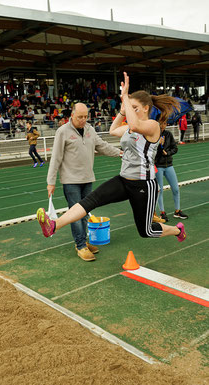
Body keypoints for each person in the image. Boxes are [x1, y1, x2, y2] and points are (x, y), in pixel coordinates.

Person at [36, 73, 186, 258]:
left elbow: (135, 124)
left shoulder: (152, 126)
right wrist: (123, 109)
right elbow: (113, 130)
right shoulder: (131, 126)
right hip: (123, 180)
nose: (130, 110)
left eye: (135, 108)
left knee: (146, 231)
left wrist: (125, 97)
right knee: (89, 201)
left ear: (146, 108)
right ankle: (53, 225)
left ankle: (178, 231)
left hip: (143, 185)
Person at [44, 102, 121, 262]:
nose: (83, 120)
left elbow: (102, 146)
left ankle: (83, 241)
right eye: (80, 117)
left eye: (86, 117)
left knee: (85, 213)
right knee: (75, 214)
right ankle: (80, 246)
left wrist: (119, 153)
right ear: (72, 115)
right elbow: (56, 158)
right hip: (71, 181)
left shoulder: (90, 130)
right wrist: (51, 181)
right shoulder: (62, 132)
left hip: (88, 179)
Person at [155, 127, 188, 222]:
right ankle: (162, 213)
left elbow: (175, 148)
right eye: (161, 123)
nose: (163, 125)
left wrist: (167, 153)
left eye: (165, 123)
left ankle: (177, 211)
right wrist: (158, 144)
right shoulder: (153, 135)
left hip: (169, 165)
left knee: (176, 189)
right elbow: (149, 152)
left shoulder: (168, 134)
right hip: (158, 166)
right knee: (159, 190)